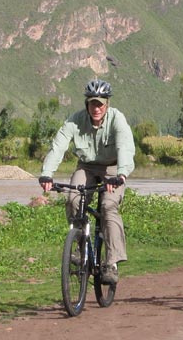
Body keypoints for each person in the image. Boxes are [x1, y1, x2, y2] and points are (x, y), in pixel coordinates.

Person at [39, 79, 135, 284]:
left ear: (107, 104)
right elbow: (58, 146)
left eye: (100, 103)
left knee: (109, 207)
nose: (96, 108)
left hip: (112, 168)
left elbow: (125, 148)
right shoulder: (75, 121)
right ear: (87, 104)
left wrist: (121, 175)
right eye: (93, 103)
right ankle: (80, 244)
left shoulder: (117, 119)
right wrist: (47, 174)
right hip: (87, 167)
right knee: (74, 199)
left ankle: (111, 263)